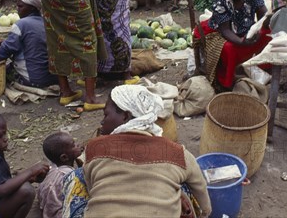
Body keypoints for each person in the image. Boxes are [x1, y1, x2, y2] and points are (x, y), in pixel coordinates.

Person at [62, 85, 212, 218]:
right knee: (182, 188)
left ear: (126, 116)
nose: (102, 122)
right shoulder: (178, 153)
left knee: (75, 177)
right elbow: (202, 196)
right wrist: (204, 213)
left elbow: (91, 187)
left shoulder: (95, 147)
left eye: (106, 115)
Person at [194, 0, 271, 91]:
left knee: (268, 34)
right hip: (220, 31)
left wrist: (269, 19)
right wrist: (241, 41)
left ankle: (263, 69)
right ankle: (227, 82)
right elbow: (225, 30)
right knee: (230, 48)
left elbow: (263, 14)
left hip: (245, 29)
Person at [0, 0, 58, 88]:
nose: (17, 10)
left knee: (7, 68)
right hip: (53, 78)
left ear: (32, 8)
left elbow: (2, 54)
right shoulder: (47, 22)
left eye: (20, 6)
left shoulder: (21, 24)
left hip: (33, 79)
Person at [38, 132, 83, 218]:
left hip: (47, 210)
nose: (78, 145)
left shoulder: (51, 169)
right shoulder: (70, 176)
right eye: (74, 145)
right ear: (64, 157)